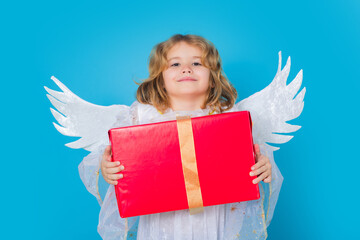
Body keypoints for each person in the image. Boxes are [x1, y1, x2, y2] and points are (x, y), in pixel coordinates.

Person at [94, 34, 276, 240]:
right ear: (161, 79)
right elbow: (114, 158)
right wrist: (108, 168)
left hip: (213, 219)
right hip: (161, 222)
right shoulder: (142, 116)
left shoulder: (228, 117)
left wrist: (261, 166)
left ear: (213, 77)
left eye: (197, 63)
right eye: (175, 64)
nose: (186, 68)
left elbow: (251, 160)